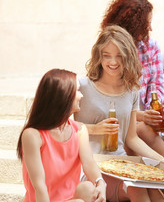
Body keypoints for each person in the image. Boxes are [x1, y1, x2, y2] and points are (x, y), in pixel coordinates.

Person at [74, 25, 164, 202]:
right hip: (92, 166)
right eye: (107, 55)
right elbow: (64, 127)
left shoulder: (132, 90)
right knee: (139, 187)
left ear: (128, 56)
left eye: (119, 56)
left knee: (154, 191)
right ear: (98, 55)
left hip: (120, 164)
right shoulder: (82, 87)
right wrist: (95, 129)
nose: (113, 62)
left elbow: (131, 138)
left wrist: (159, 159)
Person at [100, 0, 164, 164]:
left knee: (143, 131)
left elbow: (156, 85)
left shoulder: (151, 46)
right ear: (133, 24)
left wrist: (158, 114)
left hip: (144, 122)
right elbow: (107, 99)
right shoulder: (110, 51)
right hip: (120, 122)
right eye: (146, 23)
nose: (150, 29)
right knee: (138, 133)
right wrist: (140, 116)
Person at [16, 69, 106, 202]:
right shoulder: (33, 135)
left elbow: (89, 163)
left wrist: (101, 183)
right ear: (64, 95)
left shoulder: (79, 130)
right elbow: (39, 186)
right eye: (77, 91)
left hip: (70, 199)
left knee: (88, 188)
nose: (81, 95)